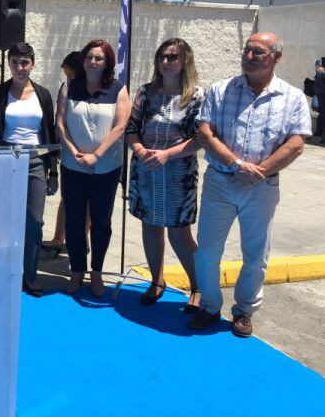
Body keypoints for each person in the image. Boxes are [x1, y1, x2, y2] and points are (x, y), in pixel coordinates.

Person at [189, 32, 310, 338]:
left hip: (262, 187)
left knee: (256, 254)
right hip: (220, 181)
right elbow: (205, 132)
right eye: (247, 50)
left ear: (276, 58)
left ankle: (244, 311)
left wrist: (260, 171)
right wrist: (236, 165)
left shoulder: (292, 97)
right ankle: (210, 306)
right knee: (207, 251)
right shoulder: (221, 89)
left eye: (258, 52)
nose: (249, 56)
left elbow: (295, 144)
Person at [126, 38, 204, 310]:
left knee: (179, 232)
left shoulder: (196, 95)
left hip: (178, 174)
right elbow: (131, 128)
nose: (166, 62)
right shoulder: (145, 92)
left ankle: (198, 287)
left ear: (185, 61)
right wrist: (140, 150)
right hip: (146, 171)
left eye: (173, 57)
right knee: (150, 225)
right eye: (162, 57)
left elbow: (201, 138)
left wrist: (168, 154)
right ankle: (156, 281)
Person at [57, 39, 130, 297]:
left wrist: (97, 155)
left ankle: (96, 272)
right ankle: (77, 270)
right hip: (72, 165)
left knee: (101, 221)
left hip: (106, 168)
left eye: (99, 58)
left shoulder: (118, 89)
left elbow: (120, 126)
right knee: (75, 220)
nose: (93, 62)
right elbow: (61, 122)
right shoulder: (69, 86)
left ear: (107, 62)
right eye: (89, 57)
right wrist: (73, 150)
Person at [0, 42, 58, 298]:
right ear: (9, 64)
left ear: (32, 63)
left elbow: (50, 133)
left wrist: (54, 171)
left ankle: (29, 275)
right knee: (4, 221)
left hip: (35, 160)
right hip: (4, 158)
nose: (20, 68)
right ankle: (4, 272)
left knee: (34, 221)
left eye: (25, 62)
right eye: (15, 62)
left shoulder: (42, 95)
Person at [42, 51, 85, 255]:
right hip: (68, 149)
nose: (67, 78)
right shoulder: (67, 87)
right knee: (67, 197)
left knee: (86, 201)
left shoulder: (91, 88)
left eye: (70, 74)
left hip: (88, 152)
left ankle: (82, 240)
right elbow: (60, 117)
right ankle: (59, 237)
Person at [313, 56, 325, 141]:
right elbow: (319, 74)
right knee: (322, 113)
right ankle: (318, 134)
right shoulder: (320, 61)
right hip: (322, 91)